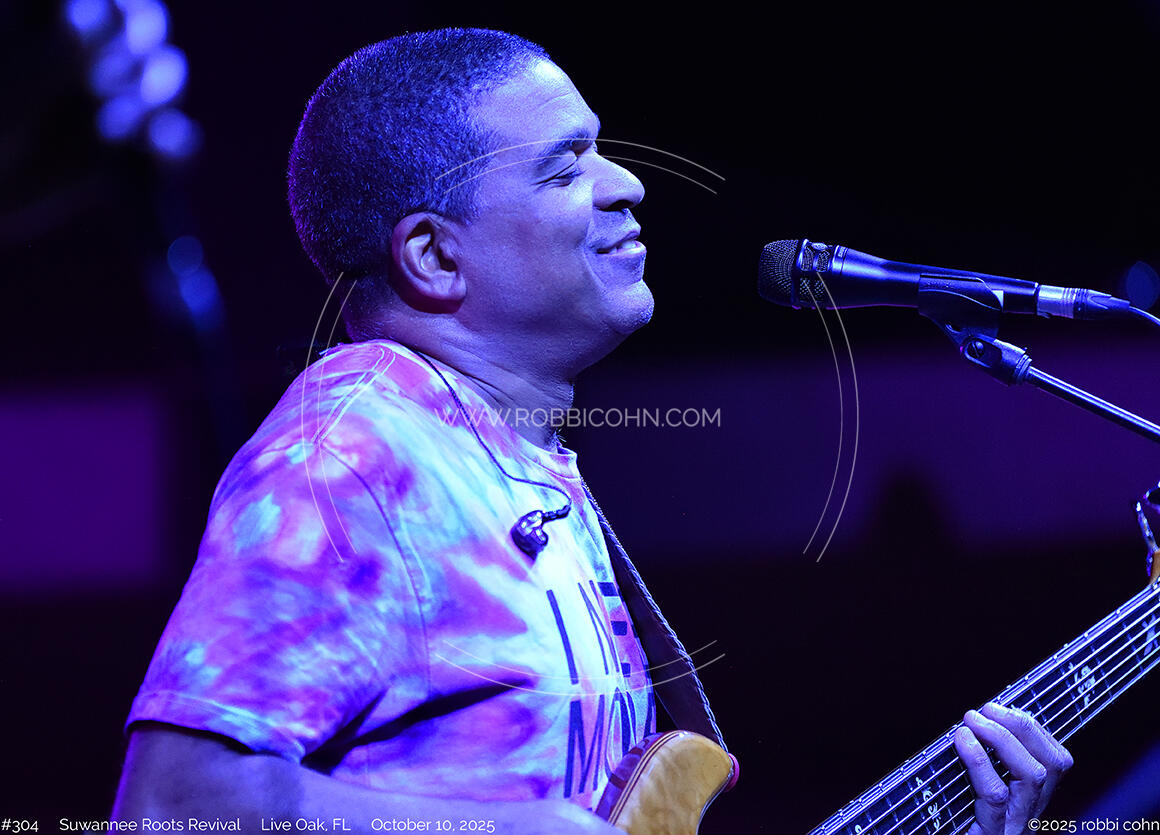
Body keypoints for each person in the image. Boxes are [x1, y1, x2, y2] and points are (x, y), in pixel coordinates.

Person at [112, 28, 1072, 833]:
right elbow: (170, 807)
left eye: (601, 150)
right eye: (567, 168)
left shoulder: (505, 455)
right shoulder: (356, 454)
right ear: (435, 256)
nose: (627, 185)